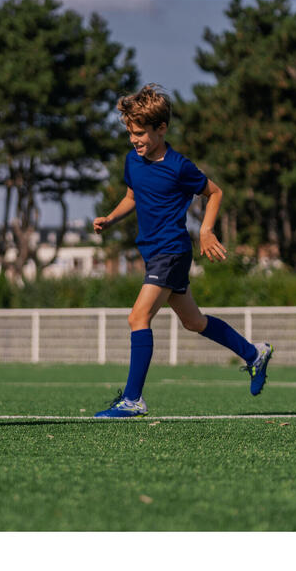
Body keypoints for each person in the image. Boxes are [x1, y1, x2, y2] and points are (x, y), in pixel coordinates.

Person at [92, 84, 273, 418]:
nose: (135, 140)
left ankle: (132, 399)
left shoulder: (180, 167)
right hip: (152, 252)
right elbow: (132, 197)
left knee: (138, 317)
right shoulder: (133, 160)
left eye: (141, 133)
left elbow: (215, 192)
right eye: (131, 133)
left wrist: (205, 230)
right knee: (194, 321)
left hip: (171, 252)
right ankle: (253, 354)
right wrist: (111, 218)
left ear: (161, 128)